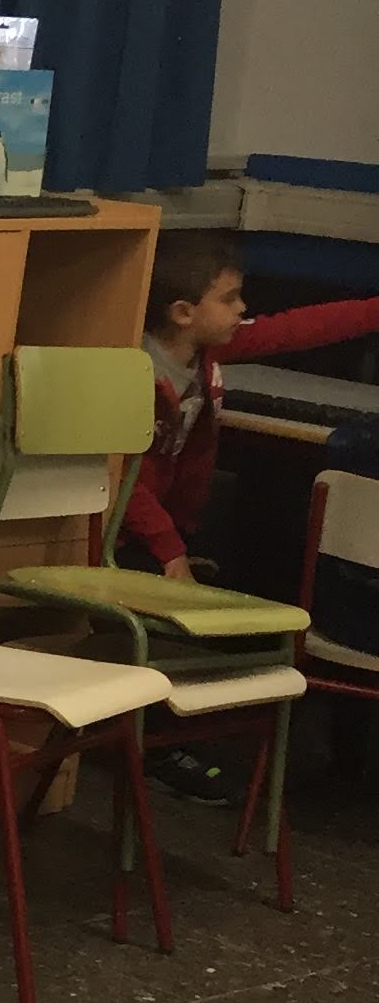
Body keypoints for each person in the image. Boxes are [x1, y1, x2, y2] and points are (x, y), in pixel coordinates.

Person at [122, 229, 379, 801]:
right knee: (168, 613)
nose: (243, 309)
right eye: (230, 299)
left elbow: (299, 327)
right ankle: (155, 746)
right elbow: (124, 478)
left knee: (275, 579)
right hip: (129, 534)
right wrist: (171, 552)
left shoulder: (206, 351)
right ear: (183, 312)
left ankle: (236, 734)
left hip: (171, 529)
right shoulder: (135, 371)